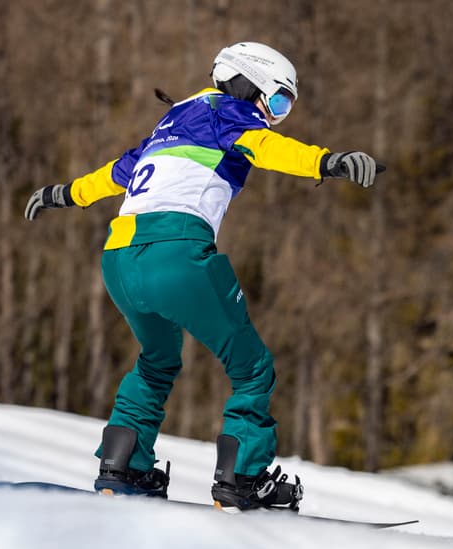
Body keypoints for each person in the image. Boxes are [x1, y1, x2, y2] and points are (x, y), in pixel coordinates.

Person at [24, 42, 382, 512]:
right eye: (278, 102)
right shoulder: (230, 113)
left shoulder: (171, 123)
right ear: (250, 84)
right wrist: (327, 161)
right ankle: (243, 478)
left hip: (118, 257)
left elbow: (114, 174)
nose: (275, 116)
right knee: (252, 368)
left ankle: (123, 466)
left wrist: (61, 194)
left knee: (157, 360)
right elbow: (267, 148)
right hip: (176, 251)